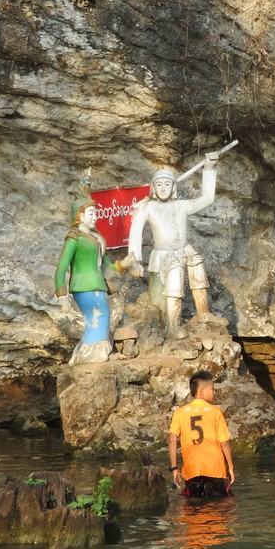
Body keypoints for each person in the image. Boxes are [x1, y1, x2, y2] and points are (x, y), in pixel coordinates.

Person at [127, 153, 220, 330]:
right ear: (153, 187)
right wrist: (135, 260)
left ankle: (204, 314)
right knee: (174, 289)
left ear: (173, 187)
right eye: (159, 184)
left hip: (185, 249)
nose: (163, 188)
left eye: (167, 184)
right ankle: (173, 327)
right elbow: (135, 232)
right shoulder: (147, 208)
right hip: (164, 255)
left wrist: (209, 168)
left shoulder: (182, 205)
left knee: (198, 270)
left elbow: (207, 198)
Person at [55, 197, 121, 364]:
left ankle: (89, 353)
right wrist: (62, 294)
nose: (95, 217)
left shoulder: (95, 238)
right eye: (91, 213)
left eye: (96, 213)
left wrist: (125, 264)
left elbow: (108, 266)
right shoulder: (74, 237)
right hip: (84, 285)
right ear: (80, 216)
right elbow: (61, 267)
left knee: (96, 318)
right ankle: (91, 353)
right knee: (99, 316)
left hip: (96, 284)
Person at [168, 370, 235, 499]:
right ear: (202, 391)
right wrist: (230, 466)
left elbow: (172, 439)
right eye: (212, 388)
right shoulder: (215, 411)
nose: (214, 392)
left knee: (193, 506)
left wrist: (174, 468)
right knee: (222, 506)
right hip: (215, 467)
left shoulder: (180, 413)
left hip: (192, 468)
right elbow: (224, 442)